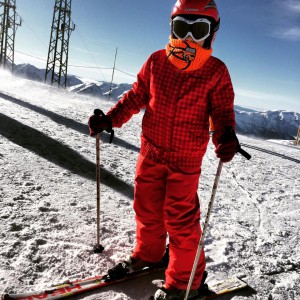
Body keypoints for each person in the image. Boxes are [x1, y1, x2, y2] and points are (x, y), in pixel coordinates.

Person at [88, 0, 240, 299]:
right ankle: (150, 254)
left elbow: (221, 112)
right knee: (146, 209)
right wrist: (110, 118)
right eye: (182, 28)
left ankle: (185, 283)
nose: (188, 39)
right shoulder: (157, 61)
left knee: (180, 221)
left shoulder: (215, 71)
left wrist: (224, 137)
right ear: (172, 27)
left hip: (185, 159)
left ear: (212, 33)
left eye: (198, 30)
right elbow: (137, 96)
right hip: (151, 152)